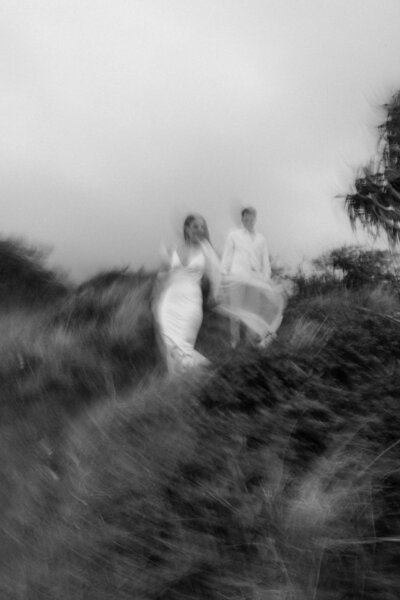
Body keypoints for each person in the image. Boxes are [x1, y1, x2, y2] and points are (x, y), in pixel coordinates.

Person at [155, 214, 220, 375]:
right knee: (170, 344)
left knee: (183, 345)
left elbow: (217, 275)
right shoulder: (174, 249)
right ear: (187, 229)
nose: (200, 230)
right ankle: (182, 383)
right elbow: (162, 276)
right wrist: (156, 299)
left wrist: (214, 294)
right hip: (169, 303)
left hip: (191, 302)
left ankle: (211, 374)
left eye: (202, 227)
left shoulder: (207, 252)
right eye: (196, 226)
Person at [220, 206, 284, 348]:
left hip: (255, 279)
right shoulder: (234, 235)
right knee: (236, 310)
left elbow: (265, 259)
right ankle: (234, 341)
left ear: (255, 219)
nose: (249, 220)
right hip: (237, 277)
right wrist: (224, 273)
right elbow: (227, 255)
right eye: (246, 217)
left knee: (253, 309)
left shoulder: (261, 238)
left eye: (251, 217)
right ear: (242, 219)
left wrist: (266, 276)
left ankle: (251, 338)